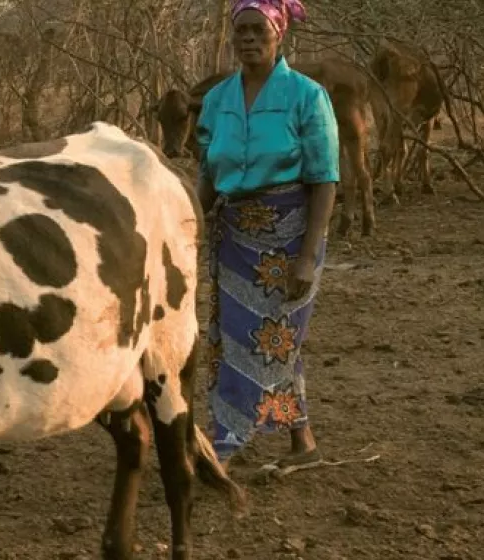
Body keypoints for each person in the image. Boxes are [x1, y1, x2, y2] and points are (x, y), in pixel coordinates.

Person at [194, 0, 339, 471]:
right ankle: (305, 443)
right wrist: (192, 225)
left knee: (273, 336)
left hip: (292, 233)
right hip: (234, 234)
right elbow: (207, 173)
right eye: (241, 32)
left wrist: (307, 255)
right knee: (243, 338)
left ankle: (228, 440)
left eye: (260, 30)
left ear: (280, 35)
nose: (250, 40)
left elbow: (325, 180)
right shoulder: (218, 100)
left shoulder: (306, 96)